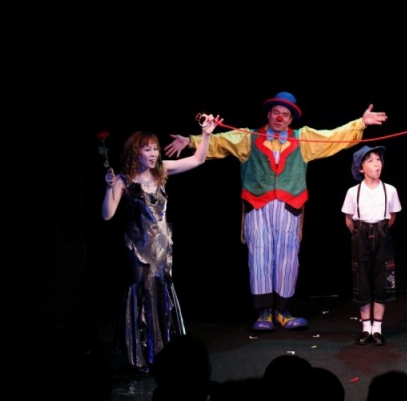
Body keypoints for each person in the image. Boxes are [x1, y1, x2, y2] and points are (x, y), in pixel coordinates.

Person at [164, 91, 388, 331]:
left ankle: (283, 311)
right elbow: (220, 142)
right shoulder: (248, 137)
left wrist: (361, 123)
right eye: (276, 113)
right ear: (269, 114)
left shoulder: (303, 139)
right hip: (257, 204)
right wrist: (189, 141)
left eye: (285, 115)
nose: (280, 118)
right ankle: (263, 312)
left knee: (287, 258)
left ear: (291, 119)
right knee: (259, 257)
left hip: (290, 206)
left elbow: (332, 137)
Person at [102, 114, 219, 372]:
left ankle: (163, 353)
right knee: (141, 296)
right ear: (136, 152)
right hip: (138, 250)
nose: (154, 153)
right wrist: (109, 187)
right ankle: (140, 355)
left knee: (161, 297)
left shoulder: (161, 171)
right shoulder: (124, 179)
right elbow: (107, 214)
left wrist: (206, 134)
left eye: (155, 148)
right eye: (148, 149)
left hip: (162, 249)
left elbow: (197, 160)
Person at [341, 145, 401, 346]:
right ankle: (366, 327)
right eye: (370, 160)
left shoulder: (390, 190)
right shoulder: (353, 192)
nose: (376, 164)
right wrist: (361, 233)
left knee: (381, 278)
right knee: (362, 279)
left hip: (382, 235)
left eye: (378, 159)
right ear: (361, 168)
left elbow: (392, 216)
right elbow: (349, 219)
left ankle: (377, 329)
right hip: (361, 235)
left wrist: (380, 230)